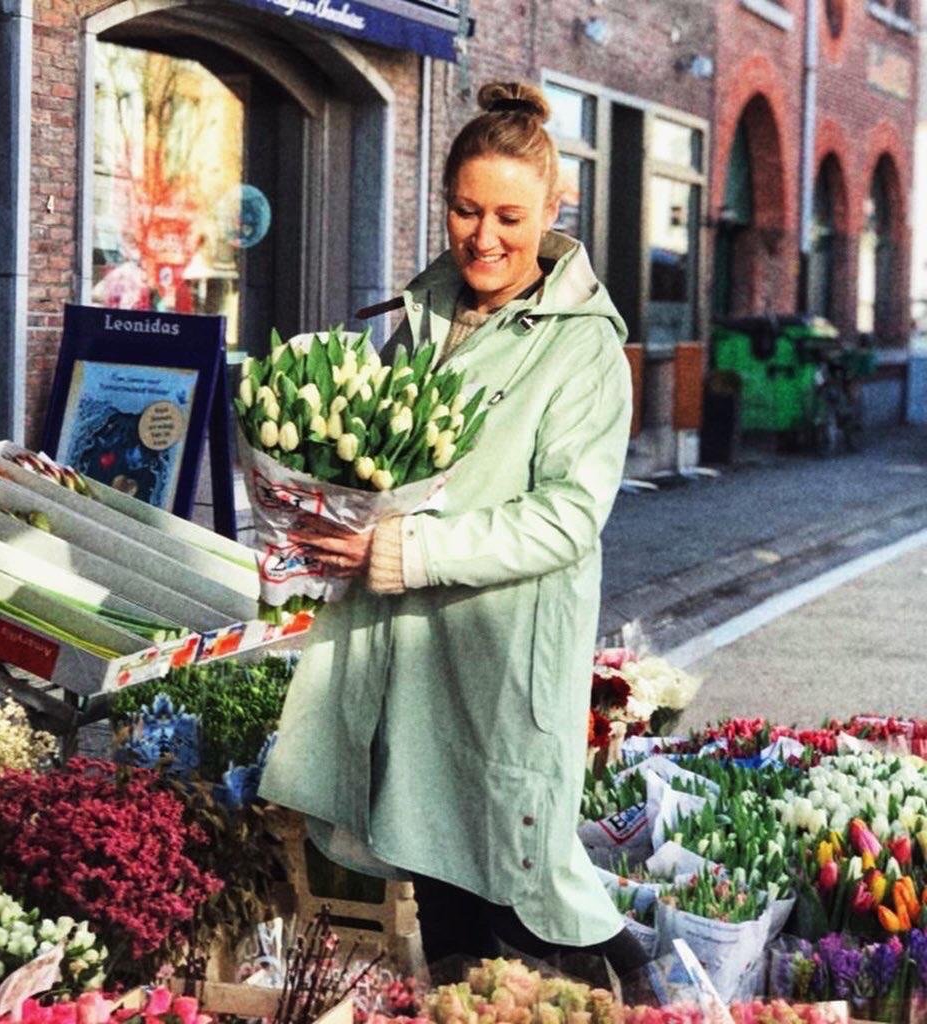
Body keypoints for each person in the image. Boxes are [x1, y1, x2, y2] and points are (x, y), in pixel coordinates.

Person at [258, 81, 643, 979]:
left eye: (510, 215)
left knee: (535, 886)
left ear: (555, 210)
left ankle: (648, 994)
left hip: (500, 649)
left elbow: (570, 517)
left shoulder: (582, 345)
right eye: (465, 210)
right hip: (409, 645)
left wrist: (400, 550)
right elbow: (380, 462)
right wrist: (315, 518)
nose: (485, 237)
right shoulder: (423, 316)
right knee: (436, 876)